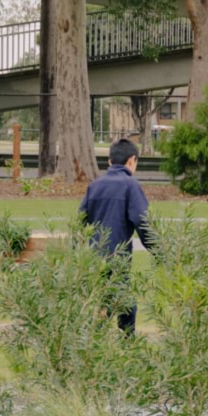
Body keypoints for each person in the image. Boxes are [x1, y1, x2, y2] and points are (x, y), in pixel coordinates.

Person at [80, 134, 155, 334]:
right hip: (118, 256)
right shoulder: (131, 186)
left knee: (104, 300)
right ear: (132, 160)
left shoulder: (94, 186)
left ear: (110, 162)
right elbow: (142, 221)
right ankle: (125, 344)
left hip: (94, 256)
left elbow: (80, 221)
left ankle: (94, 339)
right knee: (124, 302)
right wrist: (158, 250)